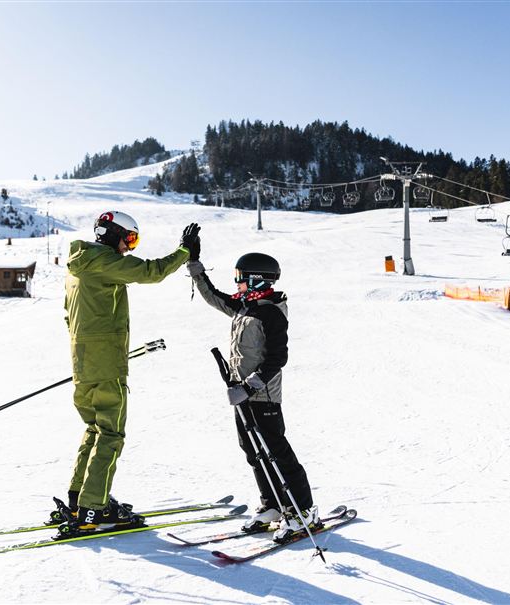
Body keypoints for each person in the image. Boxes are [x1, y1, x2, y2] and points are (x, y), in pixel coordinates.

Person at [58, 211, 200, 537]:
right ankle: (94, 507)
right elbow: (150, 272)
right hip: (106, 365)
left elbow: (69, 317)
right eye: (130, 239)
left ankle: (79, 499)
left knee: (95, 429)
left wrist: (89, 357)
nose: (129, 248)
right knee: (110, 434)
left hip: (84, 364)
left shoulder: (76, 267)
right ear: (114, 235)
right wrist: (184, 252)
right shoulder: (103, 260)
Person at [186, 249, 319, 541]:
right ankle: (272, 504)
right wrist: (194, 264)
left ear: (257, 280)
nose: (237, 284)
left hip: (262, 396)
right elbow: (213, 296)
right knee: (253, 452)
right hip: (240, 394)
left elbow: (277, 359)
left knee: (277, 453)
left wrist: (250, 386)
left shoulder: (270, 312)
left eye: (240, 279)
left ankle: (303, 510)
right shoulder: (244, 306)